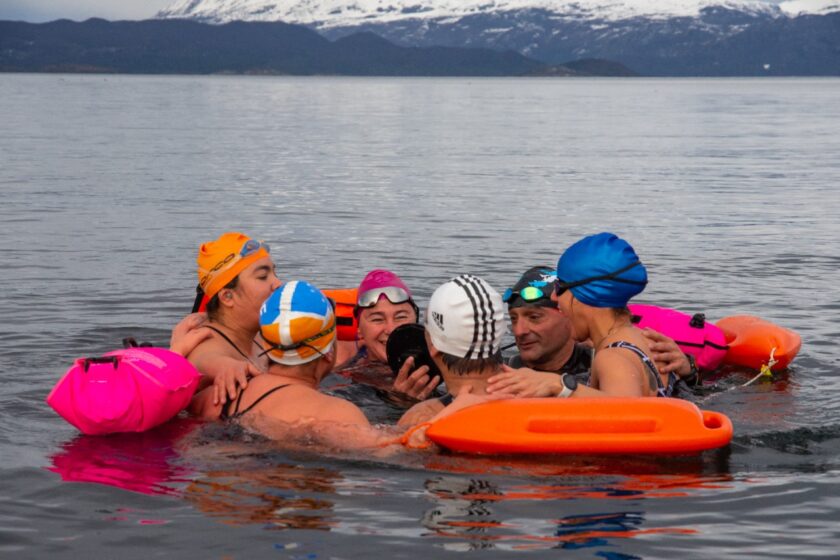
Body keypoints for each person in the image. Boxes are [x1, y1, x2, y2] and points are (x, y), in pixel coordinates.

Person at [191, 280, 474, 450]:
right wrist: (457, 404)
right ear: (329, 351)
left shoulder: (216, 396)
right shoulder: (336, 412)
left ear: (266, 344)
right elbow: (404, 449)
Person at [490, 233, 677, 399]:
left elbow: (626, 415)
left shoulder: (611, 357)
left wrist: (558, 385)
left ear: (585, 293)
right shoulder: (645, 341)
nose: (555, 297)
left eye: (560, 288)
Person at [185, 232, 281, 406]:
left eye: (275, 273)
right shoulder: (205, 343)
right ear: (228, 296)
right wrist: (227, 366)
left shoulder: (258, 334)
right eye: (262, 276)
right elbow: (202, 361)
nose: (278, 283)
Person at [333, 269, 440, 402]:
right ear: (359, 329)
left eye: (400, 317)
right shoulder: (338, 361)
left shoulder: (440, 360)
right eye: (377, 319)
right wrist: (400, 400)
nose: (391, 329)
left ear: (415, 321)